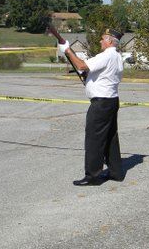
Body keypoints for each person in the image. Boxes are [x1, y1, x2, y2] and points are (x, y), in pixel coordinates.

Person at [58, 29, 125, 186]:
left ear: (109, 40)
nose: (100, 41)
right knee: (110, 138)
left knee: (94, 138)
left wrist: (67, 49)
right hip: (111, 100)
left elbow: (81, 65)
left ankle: (93, 175)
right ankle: (116, 172)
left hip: (101, 103)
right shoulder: (117, 57)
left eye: (102, 39)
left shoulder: (106, 55)